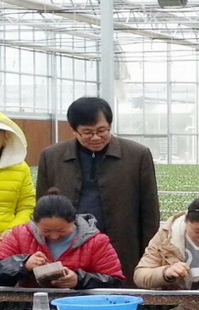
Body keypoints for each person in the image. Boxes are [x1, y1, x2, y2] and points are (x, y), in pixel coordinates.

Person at [36, 97, 160, 286]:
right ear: (74, 130)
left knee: (120, 291)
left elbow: (149, 210)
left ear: (110, 125)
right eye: (87, 132)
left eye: (102, 130)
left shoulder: (137, 155)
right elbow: (42, 207)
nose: (95, 137)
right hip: (68, 247)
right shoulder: (52, 156)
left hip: (122, 246)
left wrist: (149, 254)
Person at [0, 189, 124, 288]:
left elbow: (114, 281)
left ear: (74, 221)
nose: (54, 236)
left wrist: (78, 279)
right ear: (35, 223)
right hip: (28, 304)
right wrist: (23, 264)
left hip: (78, 304)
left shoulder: (96, 241)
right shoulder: (19, 236)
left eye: (61, 230)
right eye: (46, 231)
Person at [0, 112, 35, 233]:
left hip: (7, 239)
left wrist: (12, 231)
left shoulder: (21, 168)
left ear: (6, 136)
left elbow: (26, 206)